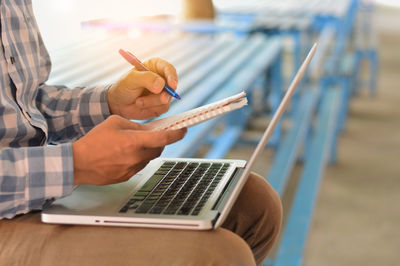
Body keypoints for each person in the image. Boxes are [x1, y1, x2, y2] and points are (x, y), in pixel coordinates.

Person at [0, 1, 282, 265]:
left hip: (35, 188)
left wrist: (110, 101)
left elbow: (26, 103)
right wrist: (74, 165)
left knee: (255, 203)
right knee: (220, 256)